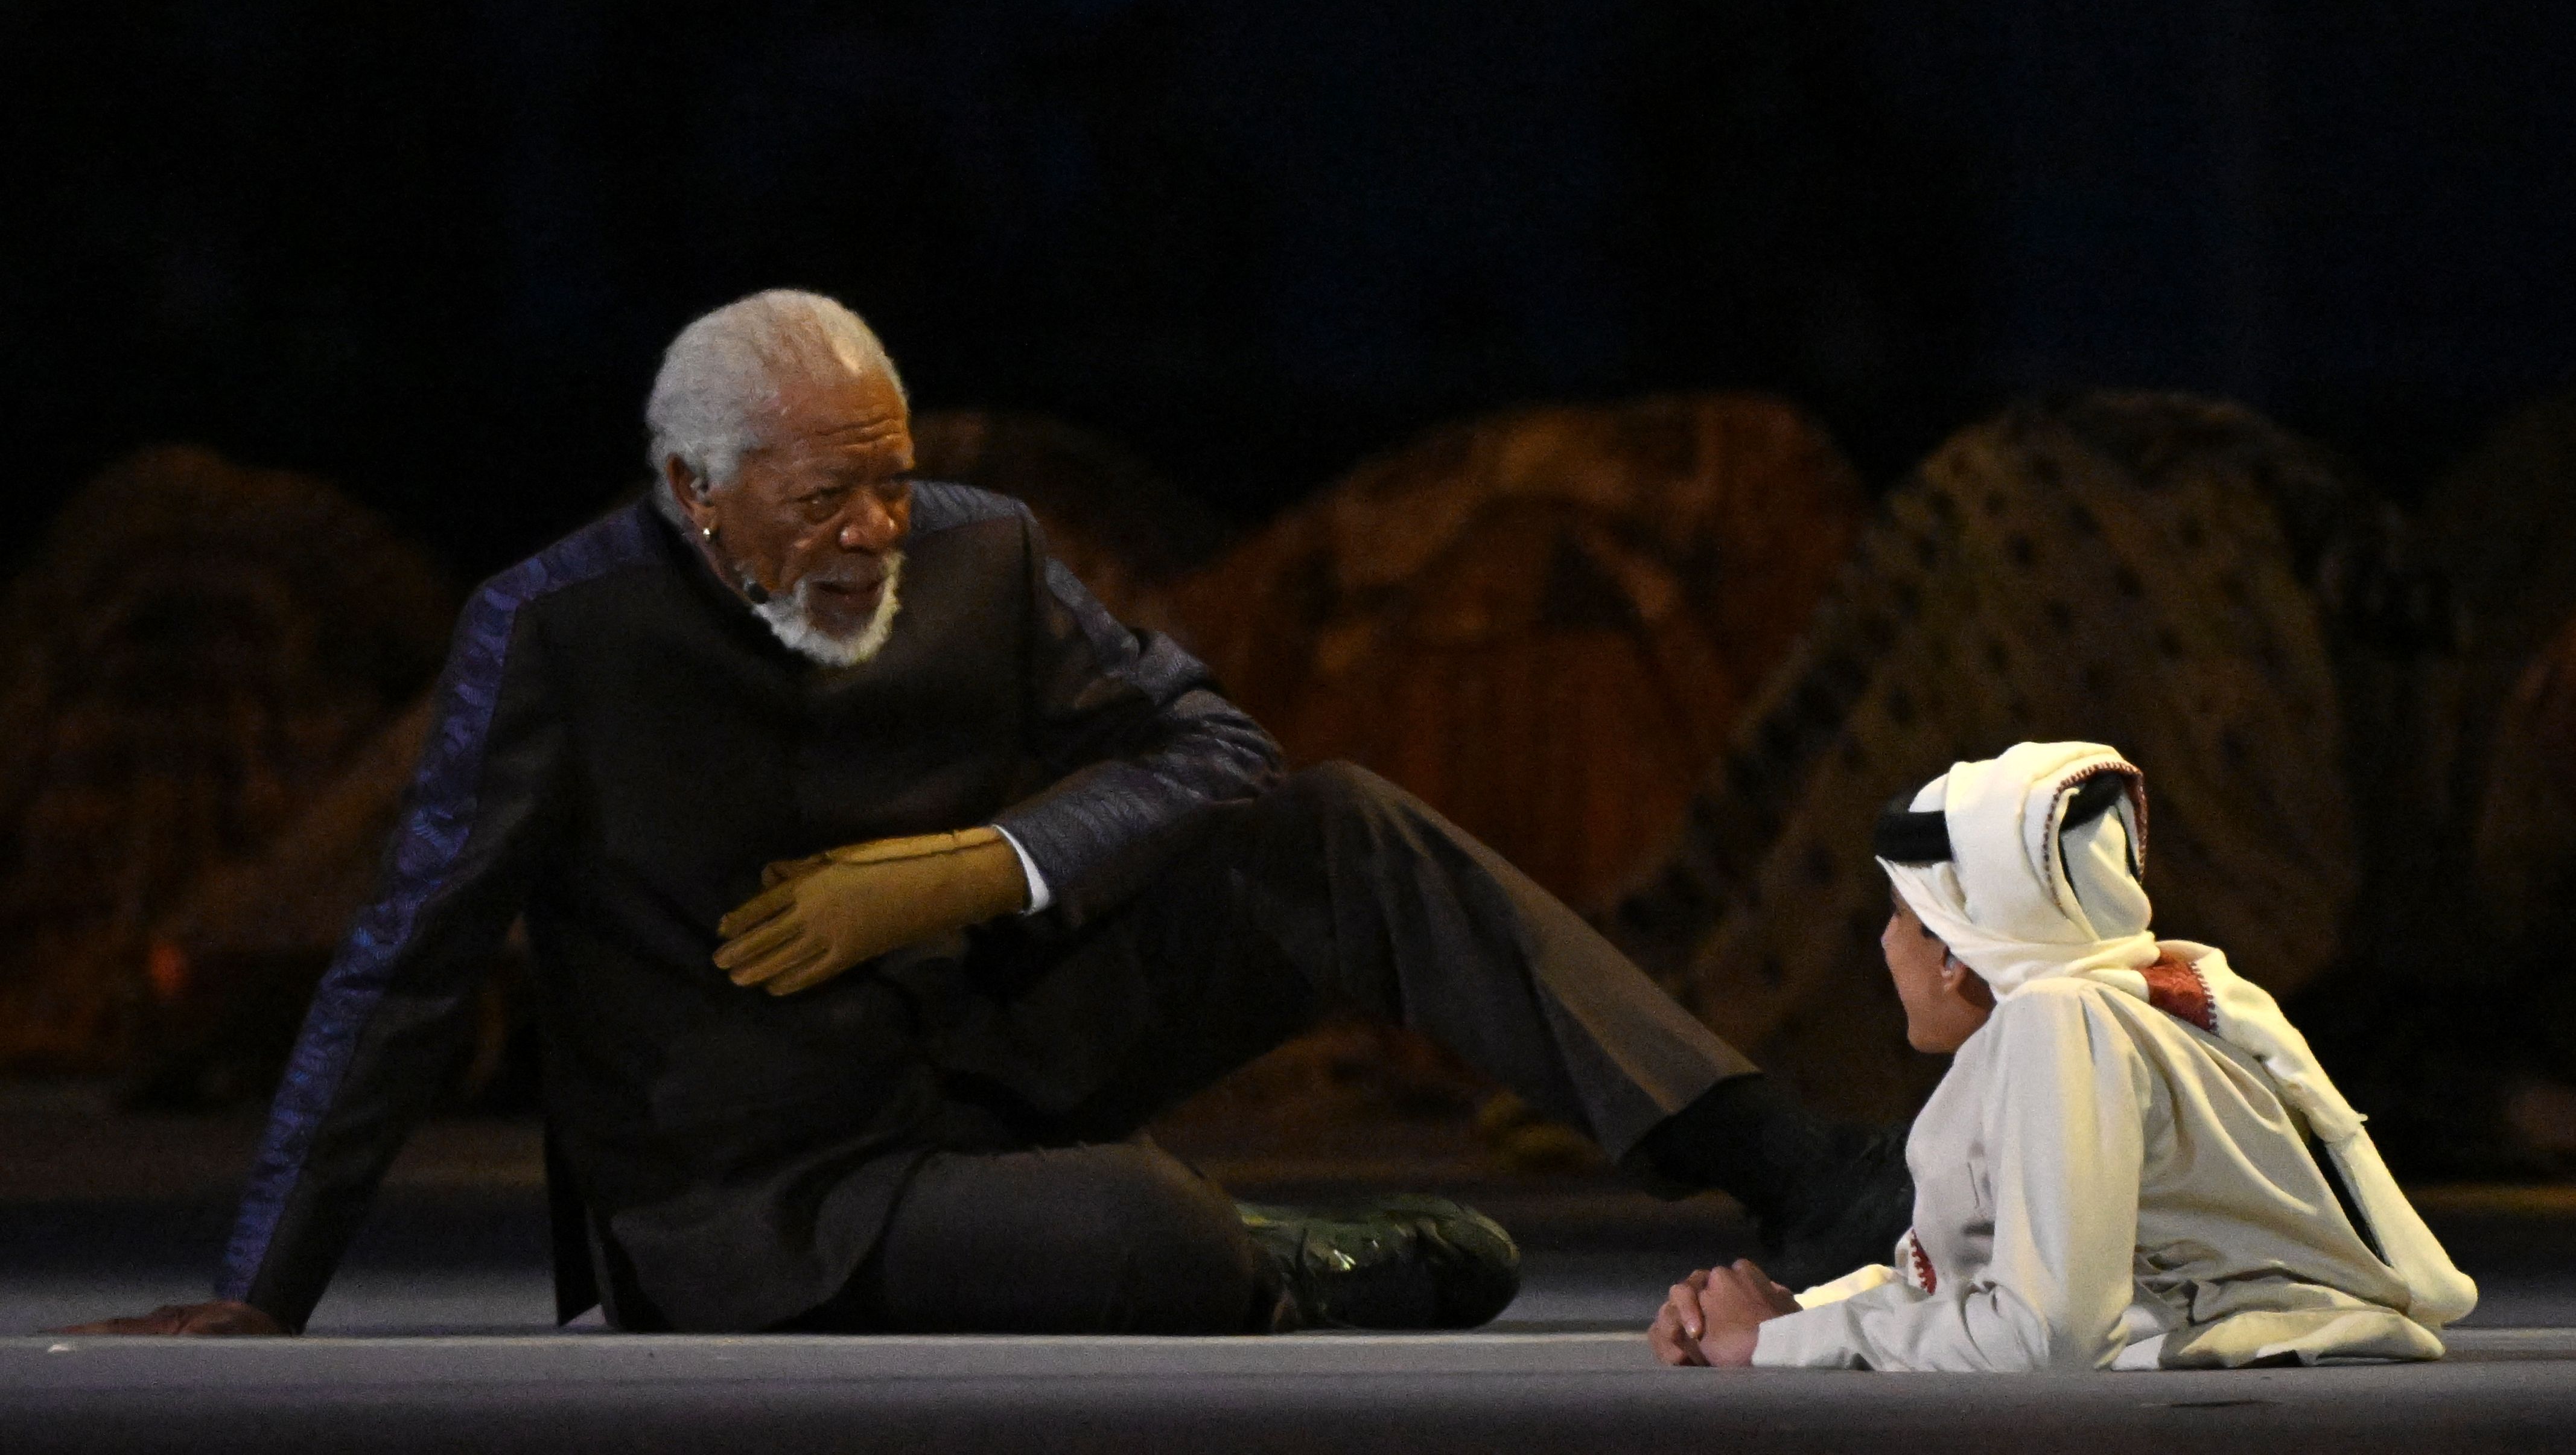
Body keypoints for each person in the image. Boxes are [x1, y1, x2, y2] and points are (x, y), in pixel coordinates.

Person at [67, 288, 1904, 1340]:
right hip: (771, 1185)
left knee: (1345, 827)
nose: (876, 530)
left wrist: (979, 864)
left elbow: (1215, 750)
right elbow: (399, 972)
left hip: (992, 1035)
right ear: (700, 498)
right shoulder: (555, 637)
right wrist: (264, 1289)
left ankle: (1789, 1166)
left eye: (891, 478)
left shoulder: (978, 554)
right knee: (1141, 1239)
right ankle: (1300, 1263)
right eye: (824, 499)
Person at [1650, 740, 2479, 1371]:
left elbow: (2046, 1332)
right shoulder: (2134, 994)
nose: (1883, 940)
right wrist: (1788, 1314)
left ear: (1955, 946)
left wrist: (1780, 1346)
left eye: (1900, 913)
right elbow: (2000, 1285)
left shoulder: (2060, 1021)